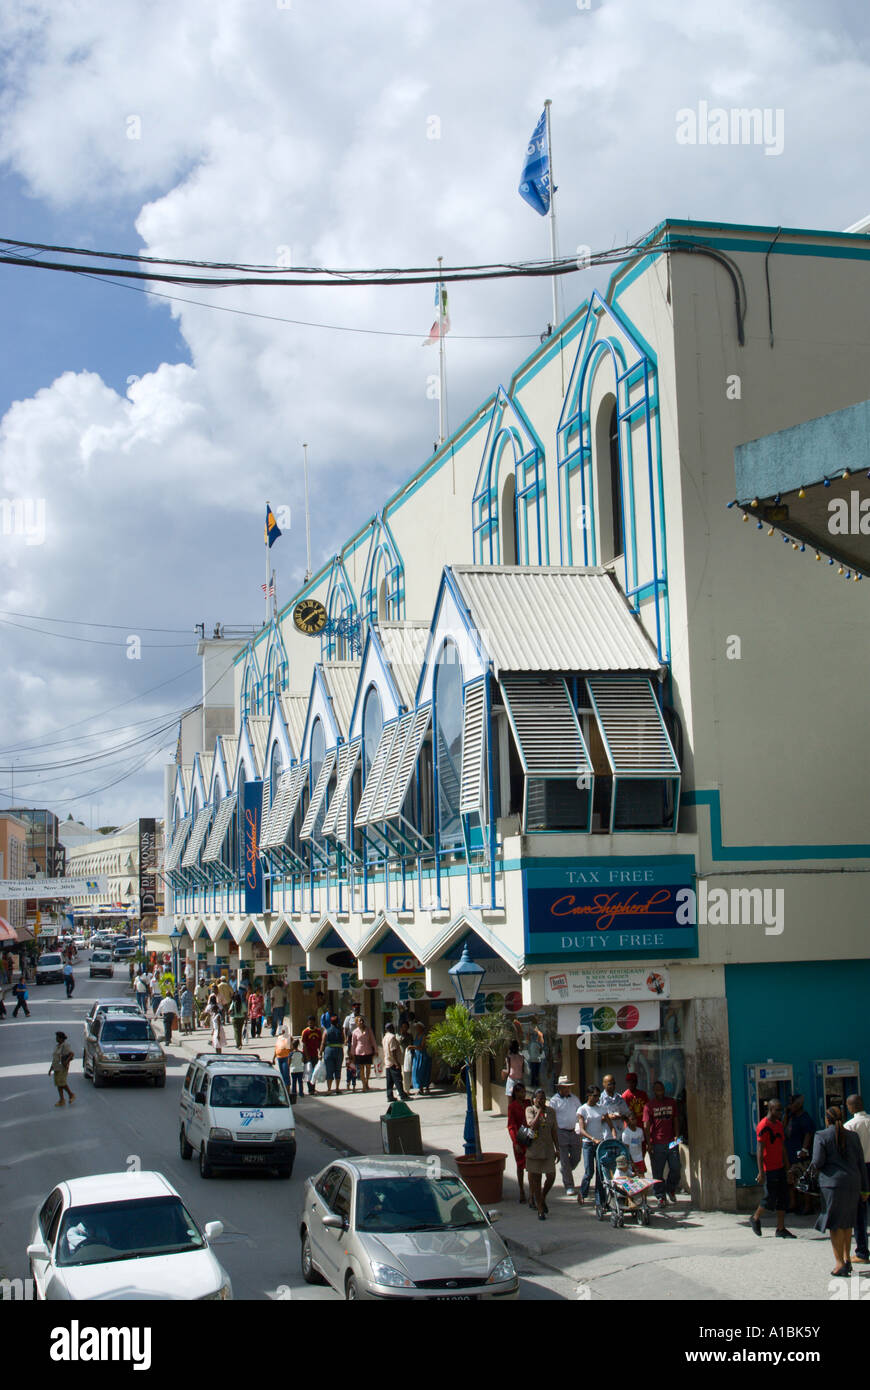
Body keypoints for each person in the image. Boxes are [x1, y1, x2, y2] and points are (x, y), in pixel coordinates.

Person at [813, 1105, 866, 1276]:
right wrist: (865, 1189)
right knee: (847, 1223)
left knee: (835, 1224)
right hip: (853, 1183)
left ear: (827, 1119)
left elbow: (818, 1161)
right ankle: (847, 1259)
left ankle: (839, 1263)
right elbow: (861, 1163)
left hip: (832, 1185)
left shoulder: (821, 1136)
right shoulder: (853, 1136)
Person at [749, 1097, 796, 1238]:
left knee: (783, 1198)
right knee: (769, 1197)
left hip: (780, 1166)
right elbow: (759, 1150)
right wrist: (761, 1172)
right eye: (777, 1110)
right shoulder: (763, 1126)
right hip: (769, 1168)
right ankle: (755, 1217)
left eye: (781, 1110)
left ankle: (780, 1228)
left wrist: (788, 1168)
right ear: (770, 1109)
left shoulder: (779, 1125)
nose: (780, 1112)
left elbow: (782, 1147)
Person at [643, 1080, 682, 1205]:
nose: (660, 1092)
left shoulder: (671, 1103)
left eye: (661, 1089)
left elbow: (675, 1119)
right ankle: (660, 1196)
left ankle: (670, 1189)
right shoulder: (649, 1106)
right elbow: (646, 1125)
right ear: (654, 1091)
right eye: (657, 1089)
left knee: (676, 1167)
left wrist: (676, 1135)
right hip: (657, 1143)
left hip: (671, 1141)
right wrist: (649, 1143)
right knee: (658, 1172)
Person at [524, 1088, 560, 1220]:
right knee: (536, 1180)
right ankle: (540, 1208)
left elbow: (554, 1131)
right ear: (534, 1099)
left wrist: (558, 1149)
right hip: (535, 1150)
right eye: (539, 1098)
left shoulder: (551, 1112)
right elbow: (531, 1125)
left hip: (548, 1149)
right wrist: (539, 1112)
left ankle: (543, 1197)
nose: (542, 1101)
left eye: (544, 1098)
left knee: (551, 1176)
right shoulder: (530, 1110)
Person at [576, 1083, 613, 1209]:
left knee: (601, 1173)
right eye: (595, 1096)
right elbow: (581, 1129)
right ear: (589, 1095)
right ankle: (583, 1192)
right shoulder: (582, 1109)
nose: (597, 1098)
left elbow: (609, 1123)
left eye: (598, 1096)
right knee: (589, 1171)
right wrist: (592, 1138)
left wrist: (612, 1135)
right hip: (588, 1144)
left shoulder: (601, 1108)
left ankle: (600, 1200)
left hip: (600, 1143)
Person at [845, 1094, 870, 1267]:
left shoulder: (850, 1126)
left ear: (851, 1107)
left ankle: (862, 1252)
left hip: (860, 1170)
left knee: (859, 1212)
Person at [549, 1075, 581, 1196]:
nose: (567, 1089)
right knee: (564, 1160)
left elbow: (579, 1113)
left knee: (576, 1157)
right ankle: (569, 1185)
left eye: (568, 1087)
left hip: (574, 1131)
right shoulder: (554, 1101)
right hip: (561, 1132)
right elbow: (551, 1118)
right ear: (560, 1088)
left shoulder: (574, 1099)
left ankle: (565, 1171)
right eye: (565, 1087)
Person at [785, 1094, 816, 1215]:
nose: (789, 1106)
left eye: (791, 1104)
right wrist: (787, 1115)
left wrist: (804, 1149)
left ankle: (808, 1205)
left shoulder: (804, 1117)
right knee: (791, 1178)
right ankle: (793, 1203)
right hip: (790, 1152)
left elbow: (808, 1134)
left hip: (801, 1154)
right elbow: (783, 1129)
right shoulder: (791, 1117)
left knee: (803, 1179)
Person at [507, 1082, 529, 1204]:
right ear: (516, 1093)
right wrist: (515, 1142)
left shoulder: (528, 1103)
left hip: (529, 1134)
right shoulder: (512, 1106)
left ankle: (533, 1190)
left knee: (532, 1164)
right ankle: (521, 1190)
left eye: (524, 1091)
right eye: (521, 1091)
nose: (523, 1094)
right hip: (520, 1135)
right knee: (520, 1165)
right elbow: (511, 1125)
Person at [350, 1016, 378, 1092]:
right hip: (359, 1052)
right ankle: (363, 1085)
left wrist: (376, 1050)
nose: (361, 1022)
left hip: (368, 1051)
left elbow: (373, 1040)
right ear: (357, 1023)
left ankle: (367, 1082)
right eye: (359, 1021)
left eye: (362, 1020)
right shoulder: (355, 1032)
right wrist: (352, 1054)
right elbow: (353, 1044)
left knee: (368, 1068)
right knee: (361, 1069)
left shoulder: (369, 1030)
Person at [320, 1014, 345, 1094]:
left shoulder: (326, 1031)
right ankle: (337, 1088)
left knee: (329, 1070)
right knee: (338, 1069)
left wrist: (320, 1053)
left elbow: (323, 1042)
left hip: (329, 1050)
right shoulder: (340, 1030)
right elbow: (344, 1040)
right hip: (339, 1050)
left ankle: (329, 1089)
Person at [382, 1023, 408, 1102]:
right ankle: (402, 1095)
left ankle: (389, 1096)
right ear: (391, 1028)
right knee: (398, 1079)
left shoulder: (385, 1037)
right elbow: (393, 1051)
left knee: (389, 1081)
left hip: (387, 1062)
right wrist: (397, 1063)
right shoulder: (392, 1037)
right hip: (393, 1062)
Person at [49, 1032, 75, 1107]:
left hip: (62, 1067)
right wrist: (51, 1068)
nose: (56, 1039)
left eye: (57, 1037)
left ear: (61, 1038)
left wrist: (66, 1062)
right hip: (56, 1067)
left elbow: (71, 1054)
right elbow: (55, 1058)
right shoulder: (57, 1046)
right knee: (58, 1084)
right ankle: (62, 1100)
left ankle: (71, 1094)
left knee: (62, 1083)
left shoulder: (65, 1045)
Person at [301, 1015, 323, 1094]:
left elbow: (320, 1043)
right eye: (309, 1022)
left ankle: (313, 1088)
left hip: (315, 1055)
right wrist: (307, 1057)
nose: (311, 1024)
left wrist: (320, 1053)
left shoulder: (318, 1031)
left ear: (314, 1023)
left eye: (312, 1022)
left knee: (314, 1072)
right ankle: (310, 1089)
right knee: (308, 1072)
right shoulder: (305, 1032)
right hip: (307, 1056)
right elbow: (304, 1045)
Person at [622, 1111, 647, 1176]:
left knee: (642, 1179)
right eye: (632, 1119)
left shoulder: (640, 1131)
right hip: (631, 1162)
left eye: (635, 1119)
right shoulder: (626, 1133)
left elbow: (641, 1146)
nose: (634, 1121)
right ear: (628, 1121)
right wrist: (633, 1164)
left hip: (640, 1159)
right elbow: (626, 1150)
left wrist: (642, 1161)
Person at [411, 1022, 432, 1095]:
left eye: (418, 1027)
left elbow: (422, 1047)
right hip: (417, 1056)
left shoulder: (424, 1036)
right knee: (417, 1072)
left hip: (423, 1056)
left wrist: (412, 1047)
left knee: (423, 1071)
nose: (416, 1029)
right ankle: (420, 1088)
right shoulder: (417, 1035)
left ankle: (425, 1088)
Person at [526, 1019, 546, 1090]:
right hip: (533, 1058)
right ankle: (534, 1083)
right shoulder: (531, 1036)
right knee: (534, 1072)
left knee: (535, 1072)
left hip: (536, 1059)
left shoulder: (539, 1035)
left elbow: (541, 1048)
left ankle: (536, 1083)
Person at [288, 1036, 305, 1102]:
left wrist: (288, 1067)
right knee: (300, 1082)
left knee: (294, 1082)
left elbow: (289, 1062)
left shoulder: (291, 1054)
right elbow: (303, 1060)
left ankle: (294, 1093)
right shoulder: (301, 1053)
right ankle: (301, 1093)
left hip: (293, 1069)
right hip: (300, 1069)